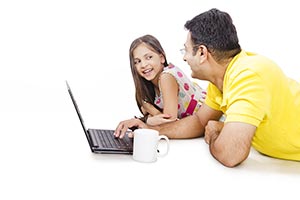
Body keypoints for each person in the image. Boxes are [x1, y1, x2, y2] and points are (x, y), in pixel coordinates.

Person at [114, 8, 300, 167]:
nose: (185, 57)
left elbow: (230, 154)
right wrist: (148, 129)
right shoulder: (221, 79)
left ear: (202, 52)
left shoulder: (249, 75)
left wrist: (215, 133)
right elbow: (199, 122)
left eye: (186, 50)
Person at [126, 34, 206, 126]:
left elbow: (169, 122)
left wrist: (149, 114)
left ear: (161, 58)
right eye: (137, 61)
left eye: (149, 57)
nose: (143, 65)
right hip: (194, 125)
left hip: (212, 117)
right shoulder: (150, 89)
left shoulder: (167, 76)